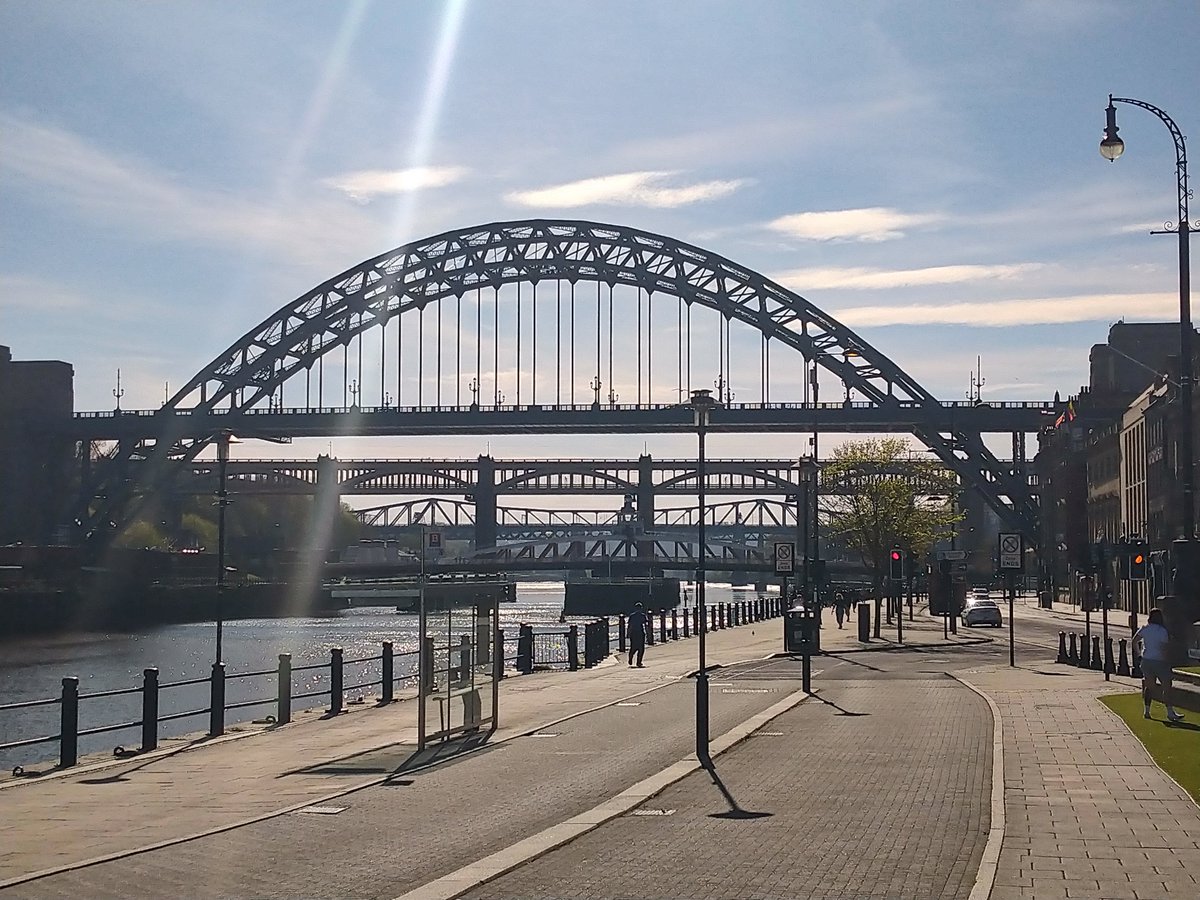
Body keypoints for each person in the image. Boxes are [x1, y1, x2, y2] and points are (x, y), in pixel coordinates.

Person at [1133, 608, 1184, 722]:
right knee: (1167, 687)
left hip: (1146, 660)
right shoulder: (1162, 631)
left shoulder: (1145, 628)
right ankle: (1170, 712)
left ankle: (1146, 711)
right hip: (1160, 661)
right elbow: (1164, 648)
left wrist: (1139, 654)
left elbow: (1134, 641)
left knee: (1149, 686)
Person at [627, 602, 649, 667]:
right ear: (641, 608)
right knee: (641, 648)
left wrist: (628, 633)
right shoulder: (643, 616)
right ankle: (638, 662)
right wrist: (648, 634)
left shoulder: (632, 616)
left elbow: (629, 625)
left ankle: (631, 657)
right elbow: (646, 625)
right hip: (640, 633)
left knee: (633, 647)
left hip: (633, 633)